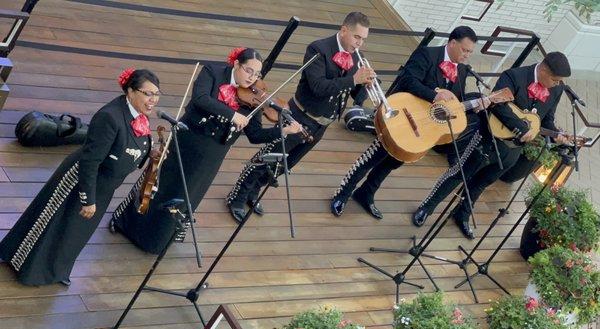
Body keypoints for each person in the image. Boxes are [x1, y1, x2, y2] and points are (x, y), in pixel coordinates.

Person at [110, 47, 303, 254]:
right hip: (188, 140)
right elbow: (201, 98)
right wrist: (232, 114)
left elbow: (255, 135)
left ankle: (158, 241)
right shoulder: (212, 72)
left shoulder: (253, 98)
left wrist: (283, 131)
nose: (252, 78)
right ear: (236, 64)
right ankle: (124, 222)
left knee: (187, 195)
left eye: (257, 74)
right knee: (159, 183)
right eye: (248, 71)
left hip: (213, 155)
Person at [0, 69, 159, 285]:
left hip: (105, 185)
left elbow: (130, 146)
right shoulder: (109, 117)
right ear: (130, 91)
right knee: (52, 222)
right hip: (83, 180)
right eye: (147, 94)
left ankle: (55, 271)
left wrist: (151, 153)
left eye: (156, 94)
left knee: (75, 232)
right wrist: (88, 199)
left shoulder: (139, 117)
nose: (153, 100)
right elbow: (90, 161)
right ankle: (24, 265)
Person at [330, 26, 483, 238]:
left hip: (421, 128)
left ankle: (366, 193)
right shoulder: (427, 54)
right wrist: (434, 95)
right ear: (453, 43)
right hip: (401, 115)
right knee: (372, 156)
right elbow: (408, 81)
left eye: (470, 52)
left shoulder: (463, 71)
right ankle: (342, 194)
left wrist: (473, 105)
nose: (466, 55)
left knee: (393, 161)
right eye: (465, 50)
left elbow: (453, 99)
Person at [226, 12, 373, 222]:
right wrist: (353, 80)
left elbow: (356, 97)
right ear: (344, 30)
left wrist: (364, 86)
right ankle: (237, 198)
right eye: (357, 37)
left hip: (321, 125)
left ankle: (253, 192)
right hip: (299, 115)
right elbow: (318, 87)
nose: (359, 43)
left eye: (363, 39)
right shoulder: (318, 49)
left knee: (285, 163)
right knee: (269, 156)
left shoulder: (356, 58)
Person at [412, 51, 571, 238]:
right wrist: (521, 126)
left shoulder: (556, 90)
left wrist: (556, 135)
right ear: (544, 70)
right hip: (487, 138)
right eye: (555, 79)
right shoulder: (514, 76)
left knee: (482, 182)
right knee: (459, 173)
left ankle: (461, 214)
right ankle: (427, 207)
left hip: (512, 150)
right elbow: (497, 105)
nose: (557, 83)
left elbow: (546, 120)